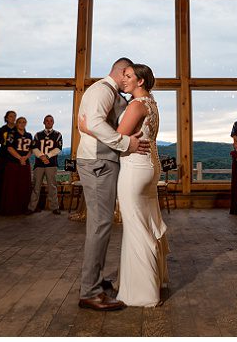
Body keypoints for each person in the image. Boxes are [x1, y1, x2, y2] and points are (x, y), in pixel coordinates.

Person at [81, 63, 168, 307]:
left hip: (135, 169)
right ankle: (153, 279)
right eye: (124, 75)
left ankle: (142, 292)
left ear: (140, 81)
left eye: (129, 76)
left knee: (135, 226)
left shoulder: (136, 105)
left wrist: (88, 127)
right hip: (150, 166)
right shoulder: (151, 103)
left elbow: (119, 135)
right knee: (148, 221)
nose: (125, 80)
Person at [75, 57, 148, 312]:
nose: (128, 79)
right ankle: (90, 292)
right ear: (120, 72)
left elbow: (94, 124)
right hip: (97, 162)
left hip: (104, 161)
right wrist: (126, 144)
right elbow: (93, 123)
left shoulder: (111, 93)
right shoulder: (102, 90)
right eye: (126, 75)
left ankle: (96, 281)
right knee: (100, 225)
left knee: (103, 225)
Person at [28, 114, 63, 214]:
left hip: (51, 164)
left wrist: (47, 156)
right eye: (46, 120)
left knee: (52, 187)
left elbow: (58, 148)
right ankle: (32, 207)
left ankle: (54, 207)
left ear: (53, 122)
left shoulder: (58, 134)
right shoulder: (38, 135)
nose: (48, 122)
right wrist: (42, 157)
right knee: (36, 186)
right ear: (43, 122)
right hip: (39, 164)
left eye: (51, 120)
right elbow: (34, 148)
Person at [0, 117, 33, 215]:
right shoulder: (12, 134)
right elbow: (9, 148)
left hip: (25, 163)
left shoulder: (29, 135)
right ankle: (11, 208)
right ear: (16, 124)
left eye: (24, 122)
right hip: (13, 163)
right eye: (20, 122)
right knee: (12, 186)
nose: (22, 124)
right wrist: (20, 158)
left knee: (24, 186)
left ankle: (23, 207)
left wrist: (25, 158)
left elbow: (31, 149)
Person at [0, 110, 17, 211]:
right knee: (1, 180)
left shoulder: (18, 129)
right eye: (11, 116)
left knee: (13, 181)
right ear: (6, 118)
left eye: (14, 116)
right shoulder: (2, 129)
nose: (13, 118)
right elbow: (1, 141)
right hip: (4, 157)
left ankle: (13, 204)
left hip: (15, 157)